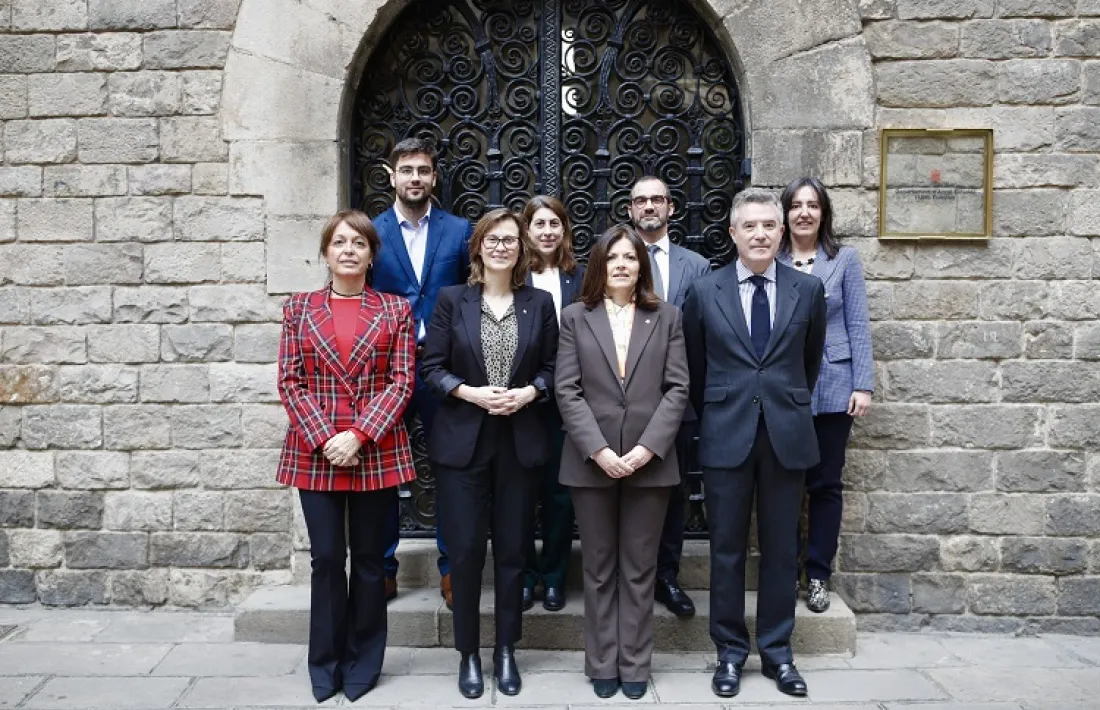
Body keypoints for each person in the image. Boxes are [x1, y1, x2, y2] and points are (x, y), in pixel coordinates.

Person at [683, 188, 826, 699]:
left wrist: (780, 400)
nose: (761, 234)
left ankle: (777, 653)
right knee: (725, 550)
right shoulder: (705, 291)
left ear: (781, 232)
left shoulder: (807, 292)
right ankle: (728, 652)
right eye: (751, 226)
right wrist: (724, 408)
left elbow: (808, 363)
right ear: (733, 233)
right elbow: (696, 367)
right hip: (727, 435)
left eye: (769, 225)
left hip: (786, 435)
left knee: (783, 549)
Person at [276, 210, 416, 703]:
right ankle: (326, 662)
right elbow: (290, 381)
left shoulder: (395, 310)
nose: (349, 250)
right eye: (340, 242)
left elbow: (402, 383)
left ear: (372, 255)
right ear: (326, 252)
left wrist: (358, 435)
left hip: (374, 450)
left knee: (372, 563)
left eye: (359, 242)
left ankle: (364, 661)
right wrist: (326, 438)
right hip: (315, 453)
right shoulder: (298, 308)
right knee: (327, 559)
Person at [420, 208, 559, 699]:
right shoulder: (451, 300)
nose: (502, 247)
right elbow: (431, 367)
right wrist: (469, 392)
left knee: (513, 553)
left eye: (511, 240)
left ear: (522, 250)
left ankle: (505, 650)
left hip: (519, 442)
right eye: (493, 239)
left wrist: (530, 393)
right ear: (477, 247)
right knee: (465, 553)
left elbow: (553, 367)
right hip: (464, 444)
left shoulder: (539, 303)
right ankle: (468, 655)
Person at [556, 225, 689, 700]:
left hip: (648, 462)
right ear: (599, 264)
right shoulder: (575, 317)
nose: (621, 265)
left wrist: (647, 448)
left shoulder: (667, 316)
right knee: (598, 567)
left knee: (638, 569)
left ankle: (635, 665)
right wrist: (599, 450)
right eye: (612, 257)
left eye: (630, 257)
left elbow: (678, 389)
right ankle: (601, 663)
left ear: (641, 266)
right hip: (591, 463)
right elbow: (566, 390)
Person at [371, 137, 473, 607]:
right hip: (388, 369)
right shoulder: (370, 233)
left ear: (434, 179)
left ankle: (452, 569)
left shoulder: (459, 231)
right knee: (384, 471)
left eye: (423, 171)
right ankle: (383, 568)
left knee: (450, 467)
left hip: (443, 367)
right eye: (407, 170)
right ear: (391, 176)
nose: (415, 178)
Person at [778, 177, 873, 613]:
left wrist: (863, 384)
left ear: (823, 213)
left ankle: (817, 575)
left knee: (825, 484)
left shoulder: (843, 260)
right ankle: (781, 571)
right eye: (796, 205)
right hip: (783, 387)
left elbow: (857, 324)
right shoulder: (771, 258)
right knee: (782, 484)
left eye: (812, 205)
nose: (803, 213)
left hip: (834, 386)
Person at [626, 176, 711, 619]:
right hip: (623, 401)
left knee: (673, 490)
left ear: (671, 208)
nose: (649, 207)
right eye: (640, 201)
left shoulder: (697, 266)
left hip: (680, 401)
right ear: (630, 210)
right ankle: (629, 576)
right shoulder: (616, 262)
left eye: (657, 199)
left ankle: (667, 576)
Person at [520, 195, 585, 613]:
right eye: (539, 224)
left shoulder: (578, 277)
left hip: (567, 399)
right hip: (522, 399)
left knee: (561, 496)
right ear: (527, 230)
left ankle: (556, 577)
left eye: (554, 224)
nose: (547, 231)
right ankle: (526, 577)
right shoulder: (512, 274)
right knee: (521, 493)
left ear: (564, 230)